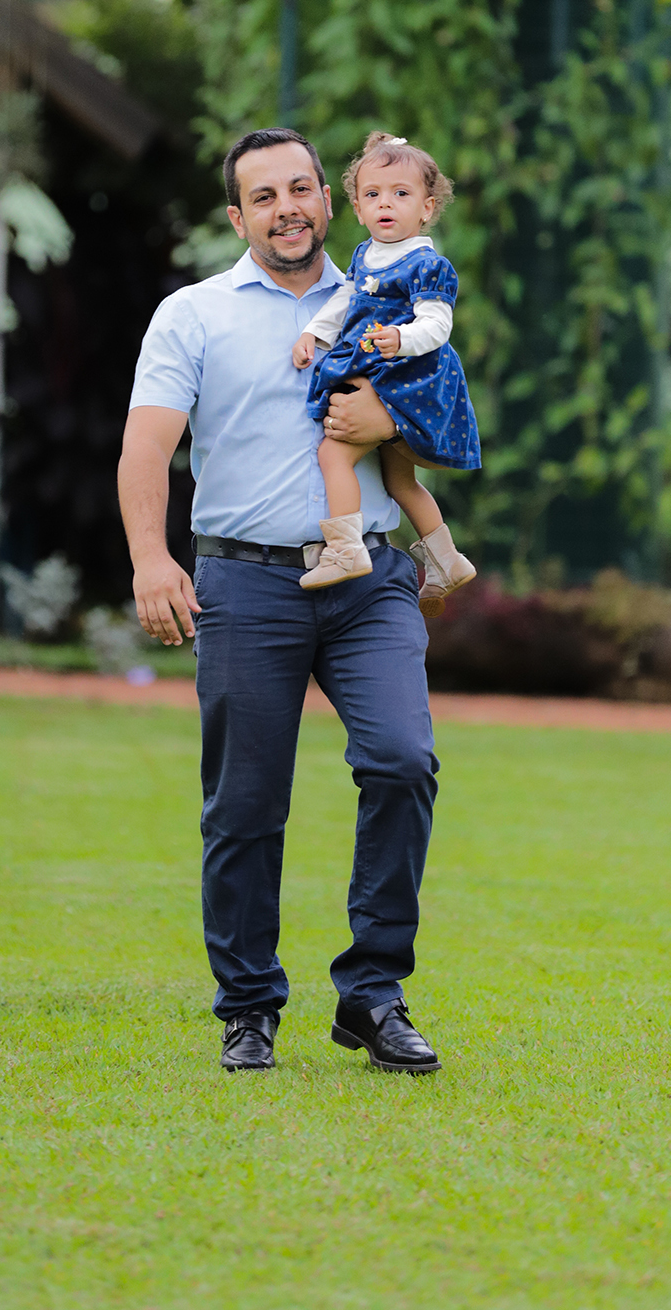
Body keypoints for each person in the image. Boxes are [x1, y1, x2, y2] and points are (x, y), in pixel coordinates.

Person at [118, 127, 443, 1076]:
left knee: (402, 761)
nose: (287, 209)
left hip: (368, 577)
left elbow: (446, 427)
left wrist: (391, 419)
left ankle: (373, 995)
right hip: (246, 582)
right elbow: (147, 447)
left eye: (301, 189)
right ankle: (249, 1006)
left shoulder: (391, 297)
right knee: (246, 805)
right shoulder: (193, 315)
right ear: (238, 217)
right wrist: (151, 559)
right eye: (264, 197)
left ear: (329, 201)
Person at [292, 130, 480, 601]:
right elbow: (345, 302)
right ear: (357, 208)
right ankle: (447, 560)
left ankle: (345, 549)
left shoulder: (427, 264)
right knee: (398, 479)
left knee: (333, 455)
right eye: (373, 195)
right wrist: (314, 333)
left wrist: (402, 339)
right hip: (382, 369)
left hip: (407, 375)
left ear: (427, 207)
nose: (386, 204)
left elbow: (437, 325)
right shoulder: (365, 256)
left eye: (400, 194)